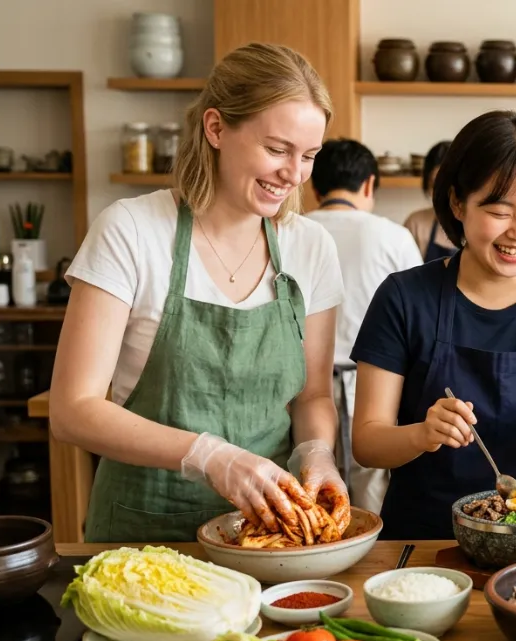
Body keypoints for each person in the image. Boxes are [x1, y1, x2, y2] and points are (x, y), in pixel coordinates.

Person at [48, 43, 349, 542]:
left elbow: (312, 394)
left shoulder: (310, 246)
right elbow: (72, 409)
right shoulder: (132, 230)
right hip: (143, 530)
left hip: (267, 534)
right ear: (215, 128)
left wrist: (316, 451)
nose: (294, 174)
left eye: (309, 155)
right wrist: (210, 456)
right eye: (277, 149)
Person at [350, 110, 516, 540]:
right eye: (500, 210)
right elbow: (367, 441)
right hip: (423, 544)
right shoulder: (403, 297)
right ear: (458, 203)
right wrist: (422, 433)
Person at [306, 138, 423, 513]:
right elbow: (418, 319)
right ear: (370, 184)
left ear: (313, 184)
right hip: (372, 386)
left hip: (303, 389)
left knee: (313, 488)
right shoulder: (393, 236)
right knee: (373, 492)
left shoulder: (291, 231)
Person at [403, 141, 457, 262]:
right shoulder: (415, 224)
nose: (442, 195)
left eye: (449, 186)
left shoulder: (477, 226)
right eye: (435, 186)